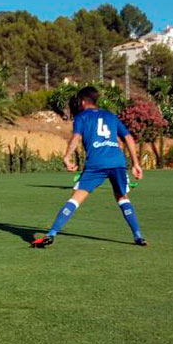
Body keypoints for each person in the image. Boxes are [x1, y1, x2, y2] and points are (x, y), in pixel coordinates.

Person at [32, 86, 146, 248]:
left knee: (76, 198)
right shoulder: (111, 116)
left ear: (83, 101)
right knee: (122, 198)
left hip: (96, 163)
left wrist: (66, 156)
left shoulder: (81, 117)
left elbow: (76, 138)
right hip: (117, 161)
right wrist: (135, 163)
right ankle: (138, 236)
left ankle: (52, 233)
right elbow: (128, 138)